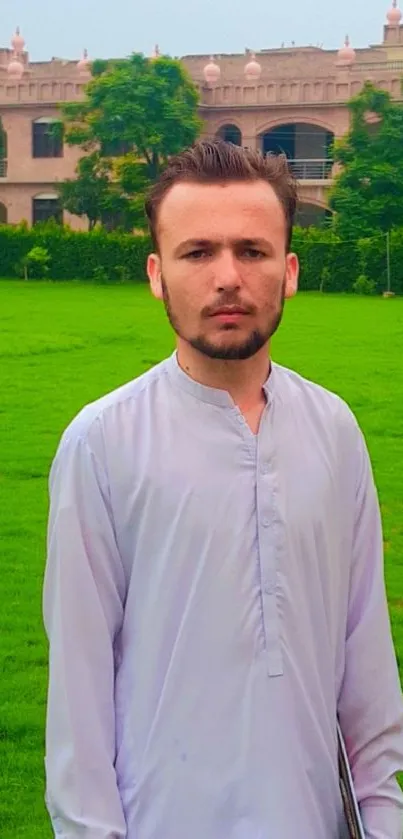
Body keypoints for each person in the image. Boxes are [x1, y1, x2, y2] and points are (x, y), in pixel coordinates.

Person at [43, 139, 403, 839]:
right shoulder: (103, 443)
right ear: (156, 272)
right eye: (197, 252)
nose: (227, 277)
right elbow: (77, 703)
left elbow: (365, 666)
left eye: (253, 250)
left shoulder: (332, 430)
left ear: (289, 269)